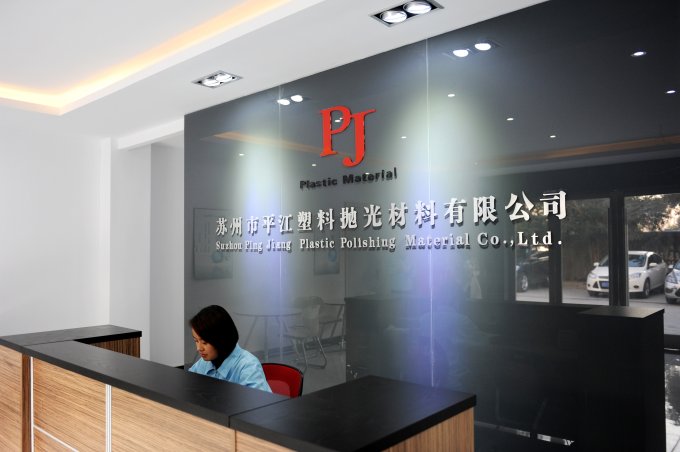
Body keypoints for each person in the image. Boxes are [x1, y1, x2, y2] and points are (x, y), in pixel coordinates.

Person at [188, 304, 271, 392]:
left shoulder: (248, 366)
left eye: (204, 342)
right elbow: (187, 385)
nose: (198, 348)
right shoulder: (204, 362)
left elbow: (258, 400)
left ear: (221, 339)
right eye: (196, 341)